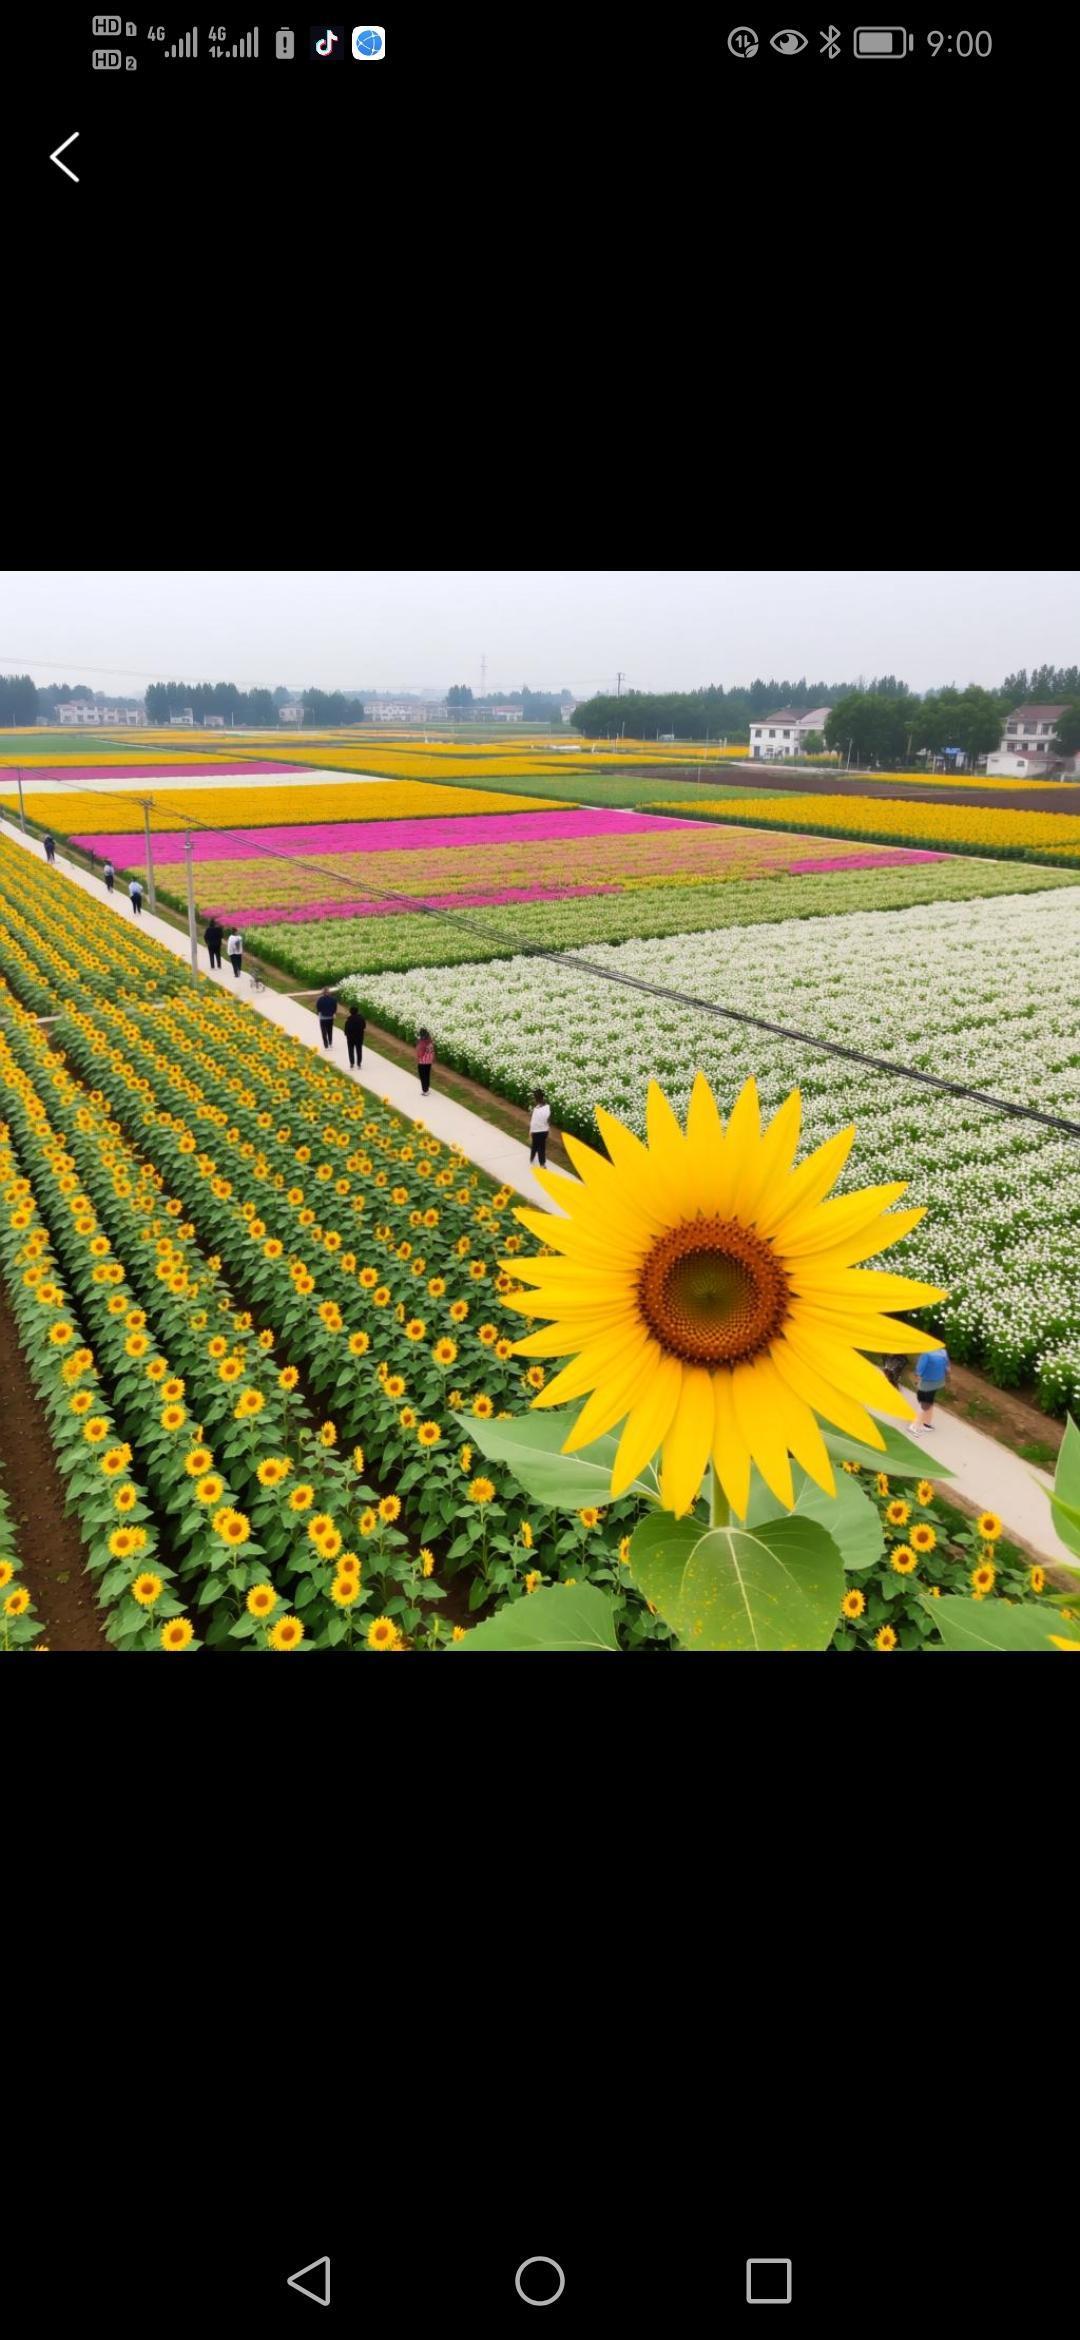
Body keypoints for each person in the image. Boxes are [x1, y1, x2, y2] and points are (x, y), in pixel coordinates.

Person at [914, 1342, 950, 1430]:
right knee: (928, 1401)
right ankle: (925, 1423)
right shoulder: (943, 1352)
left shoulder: (927, 1353)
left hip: (927, 1381)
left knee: (924, 1400)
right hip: (937, 1381)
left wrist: (917, 1378)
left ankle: (918, 1424)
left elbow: (920, 1368)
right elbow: (947, 1368)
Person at [529, 1088, 552, 1167]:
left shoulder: (536, 1110)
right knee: (541, 1146)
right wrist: (548, 1128)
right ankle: (540, 1162)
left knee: (536, 1145)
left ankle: (535, 1159)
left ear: (536, 1099)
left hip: (536, 1131)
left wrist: (530, 1132)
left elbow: (533, 1123)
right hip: (544, 1131)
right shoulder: (548, 1107)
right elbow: (549, 1120)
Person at [344, 1004, 366, 1070]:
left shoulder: (348, 1020)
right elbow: (364, 1026)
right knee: (359, 1050)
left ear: (350, 1012)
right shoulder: (361, 1019)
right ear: (357, 1011)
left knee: (350, 1050)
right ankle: (359, 1063)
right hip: (359, 1037)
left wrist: (347, 1034)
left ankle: (352, 1063)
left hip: (350, 1038)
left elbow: (346, 1029)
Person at [416, 1027, 435, 1095]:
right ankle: (427, 1089)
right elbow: (432, 1052)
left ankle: (425, 1090)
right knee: (427, 1075)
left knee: (422, 1076)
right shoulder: (430, 1041)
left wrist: (418, 1057)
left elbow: (420, 1053)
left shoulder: (422, 1042)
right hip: (429, 1062)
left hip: (422, 1062)